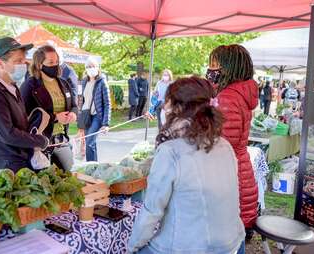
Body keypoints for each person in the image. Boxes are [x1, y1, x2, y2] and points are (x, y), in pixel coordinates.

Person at [128, 76, 245, 254]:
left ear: (179, 108)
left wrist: (132, 248)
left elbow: (152, 211)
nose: (164, 107)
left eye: (168, 102)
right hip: (231, 243)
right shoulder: (225, 145)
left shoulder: (171, 152)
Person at [0, 37, 49, 179]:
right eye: (17, 61)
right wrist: (40, 141)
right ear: (0, 64)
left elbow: (19, 122)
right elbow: (7, 133)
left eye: (23, 60)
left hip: (21, 159)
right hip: (7, 165)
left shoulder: (11, 85)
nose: (24, 64)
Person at [207, 44, 258, 254]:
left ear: (228, 68)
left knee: (228, 238)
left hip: (228, 176)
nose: (210, 70)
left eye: (214, 65)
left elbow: (220, 145)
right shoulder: (240, 94)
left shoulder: (228, 98)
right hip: (238, 171)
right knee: (235, 236)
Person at [21, 45, 78, 171]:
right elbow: (25, 116)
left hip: (61, 140)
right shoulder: (29, 86)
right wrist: (55, 117)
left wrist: (74, 114)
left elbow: (74, 105)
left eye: (57, 62)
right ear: (40, 64)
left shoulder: (64, 83)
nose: (55, 66)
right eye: (51, 62)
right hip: (41, 144)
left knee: (67, 180)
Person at [79, 57, 111, 161]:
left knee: (89, 143)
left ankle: (90, 167)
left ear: (98, 68)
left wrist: (106, 123)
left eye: (93, 66)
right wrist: (80, 119)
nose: (90, 68)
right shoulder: (84, 82)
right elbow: (83, 101)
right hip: (87, 115)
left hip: (97, 116)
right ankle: (95, 166)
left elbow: (107, 103)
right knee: (91, 143)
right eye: (88, 66)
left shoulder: (102, 82)